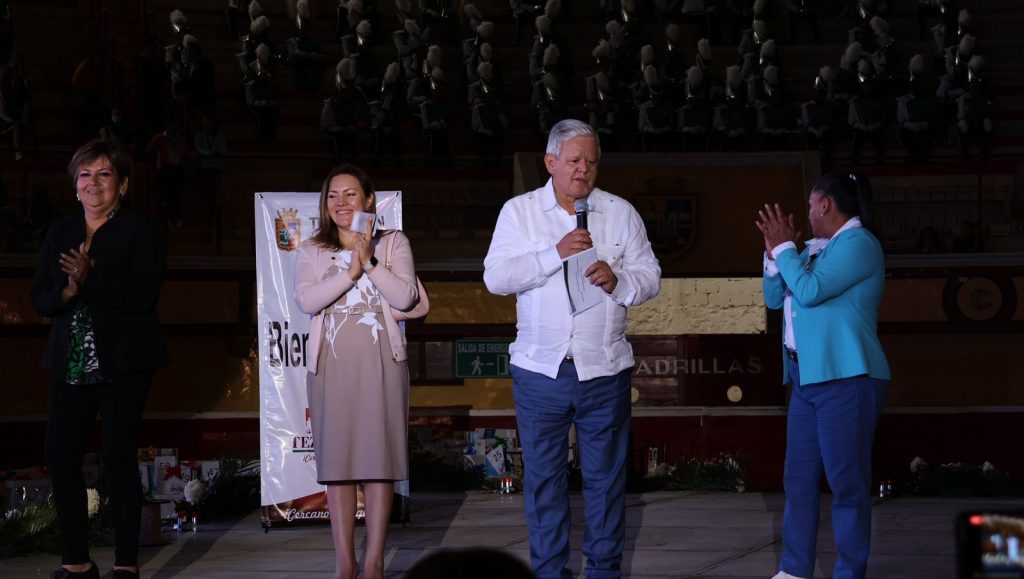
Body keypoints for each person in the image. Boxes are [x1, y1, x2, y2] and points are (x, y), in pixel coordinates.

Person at [483, 119, 661, 579]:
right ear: (550, 162)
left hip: (604, 370)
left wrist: (620, 281)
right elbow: (496, 278)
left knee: (605, 484)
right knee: (544, 483)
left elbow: (650, 277)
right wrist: (553, 254)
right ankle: (549, 573)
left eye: (591, 161)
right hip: (540, 371)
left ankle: (603, 572)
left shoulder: (620, 213)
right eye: (574, 161)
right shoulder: (518, 212)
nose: (583, 170)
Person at [31, 140, 167, 579]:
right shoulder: (61, 231)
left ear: (122, 185)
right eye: (85, 175)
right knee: (61, 454)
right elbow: (41, 298)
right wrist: (68, 291)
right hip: (70, 364)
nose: (93, 183)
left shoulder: (141, 230)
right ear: (74, 186)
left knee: (118, 456)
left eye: (104, 174)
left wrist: (90, 279)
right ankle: (77, 563)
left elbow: (142, 297)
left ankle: (126, 564)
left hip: (124, 363)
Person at [755, 171, 891, 579]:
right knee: (798, 479)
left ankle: (849, 572)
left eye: (812, 205)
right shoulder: (817, 248)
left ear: (826, 204)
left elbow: (811, 292)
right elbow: (774, 298)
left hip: (846, 378)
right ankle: (794, 570)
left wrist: (785, 249)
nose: (808, 213)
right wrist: (774, 254)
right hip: (805, 378)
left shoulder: (859, 244)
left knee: (846, 483)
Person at [293, 164, 418, 579]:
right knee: (339, 466)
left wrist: (369, 262)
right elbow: (307, 302)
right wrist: (349, 268)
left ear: (368, 200)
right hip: (330, 366)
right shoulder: (312, 249)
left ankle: (374, 561)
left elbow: (405, 294)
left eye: (350, 194)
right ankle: (345, 563)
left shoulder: (393, 242)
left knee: (379, 463)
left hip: (383, 363)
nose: (341, 203)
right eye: (333, 196)